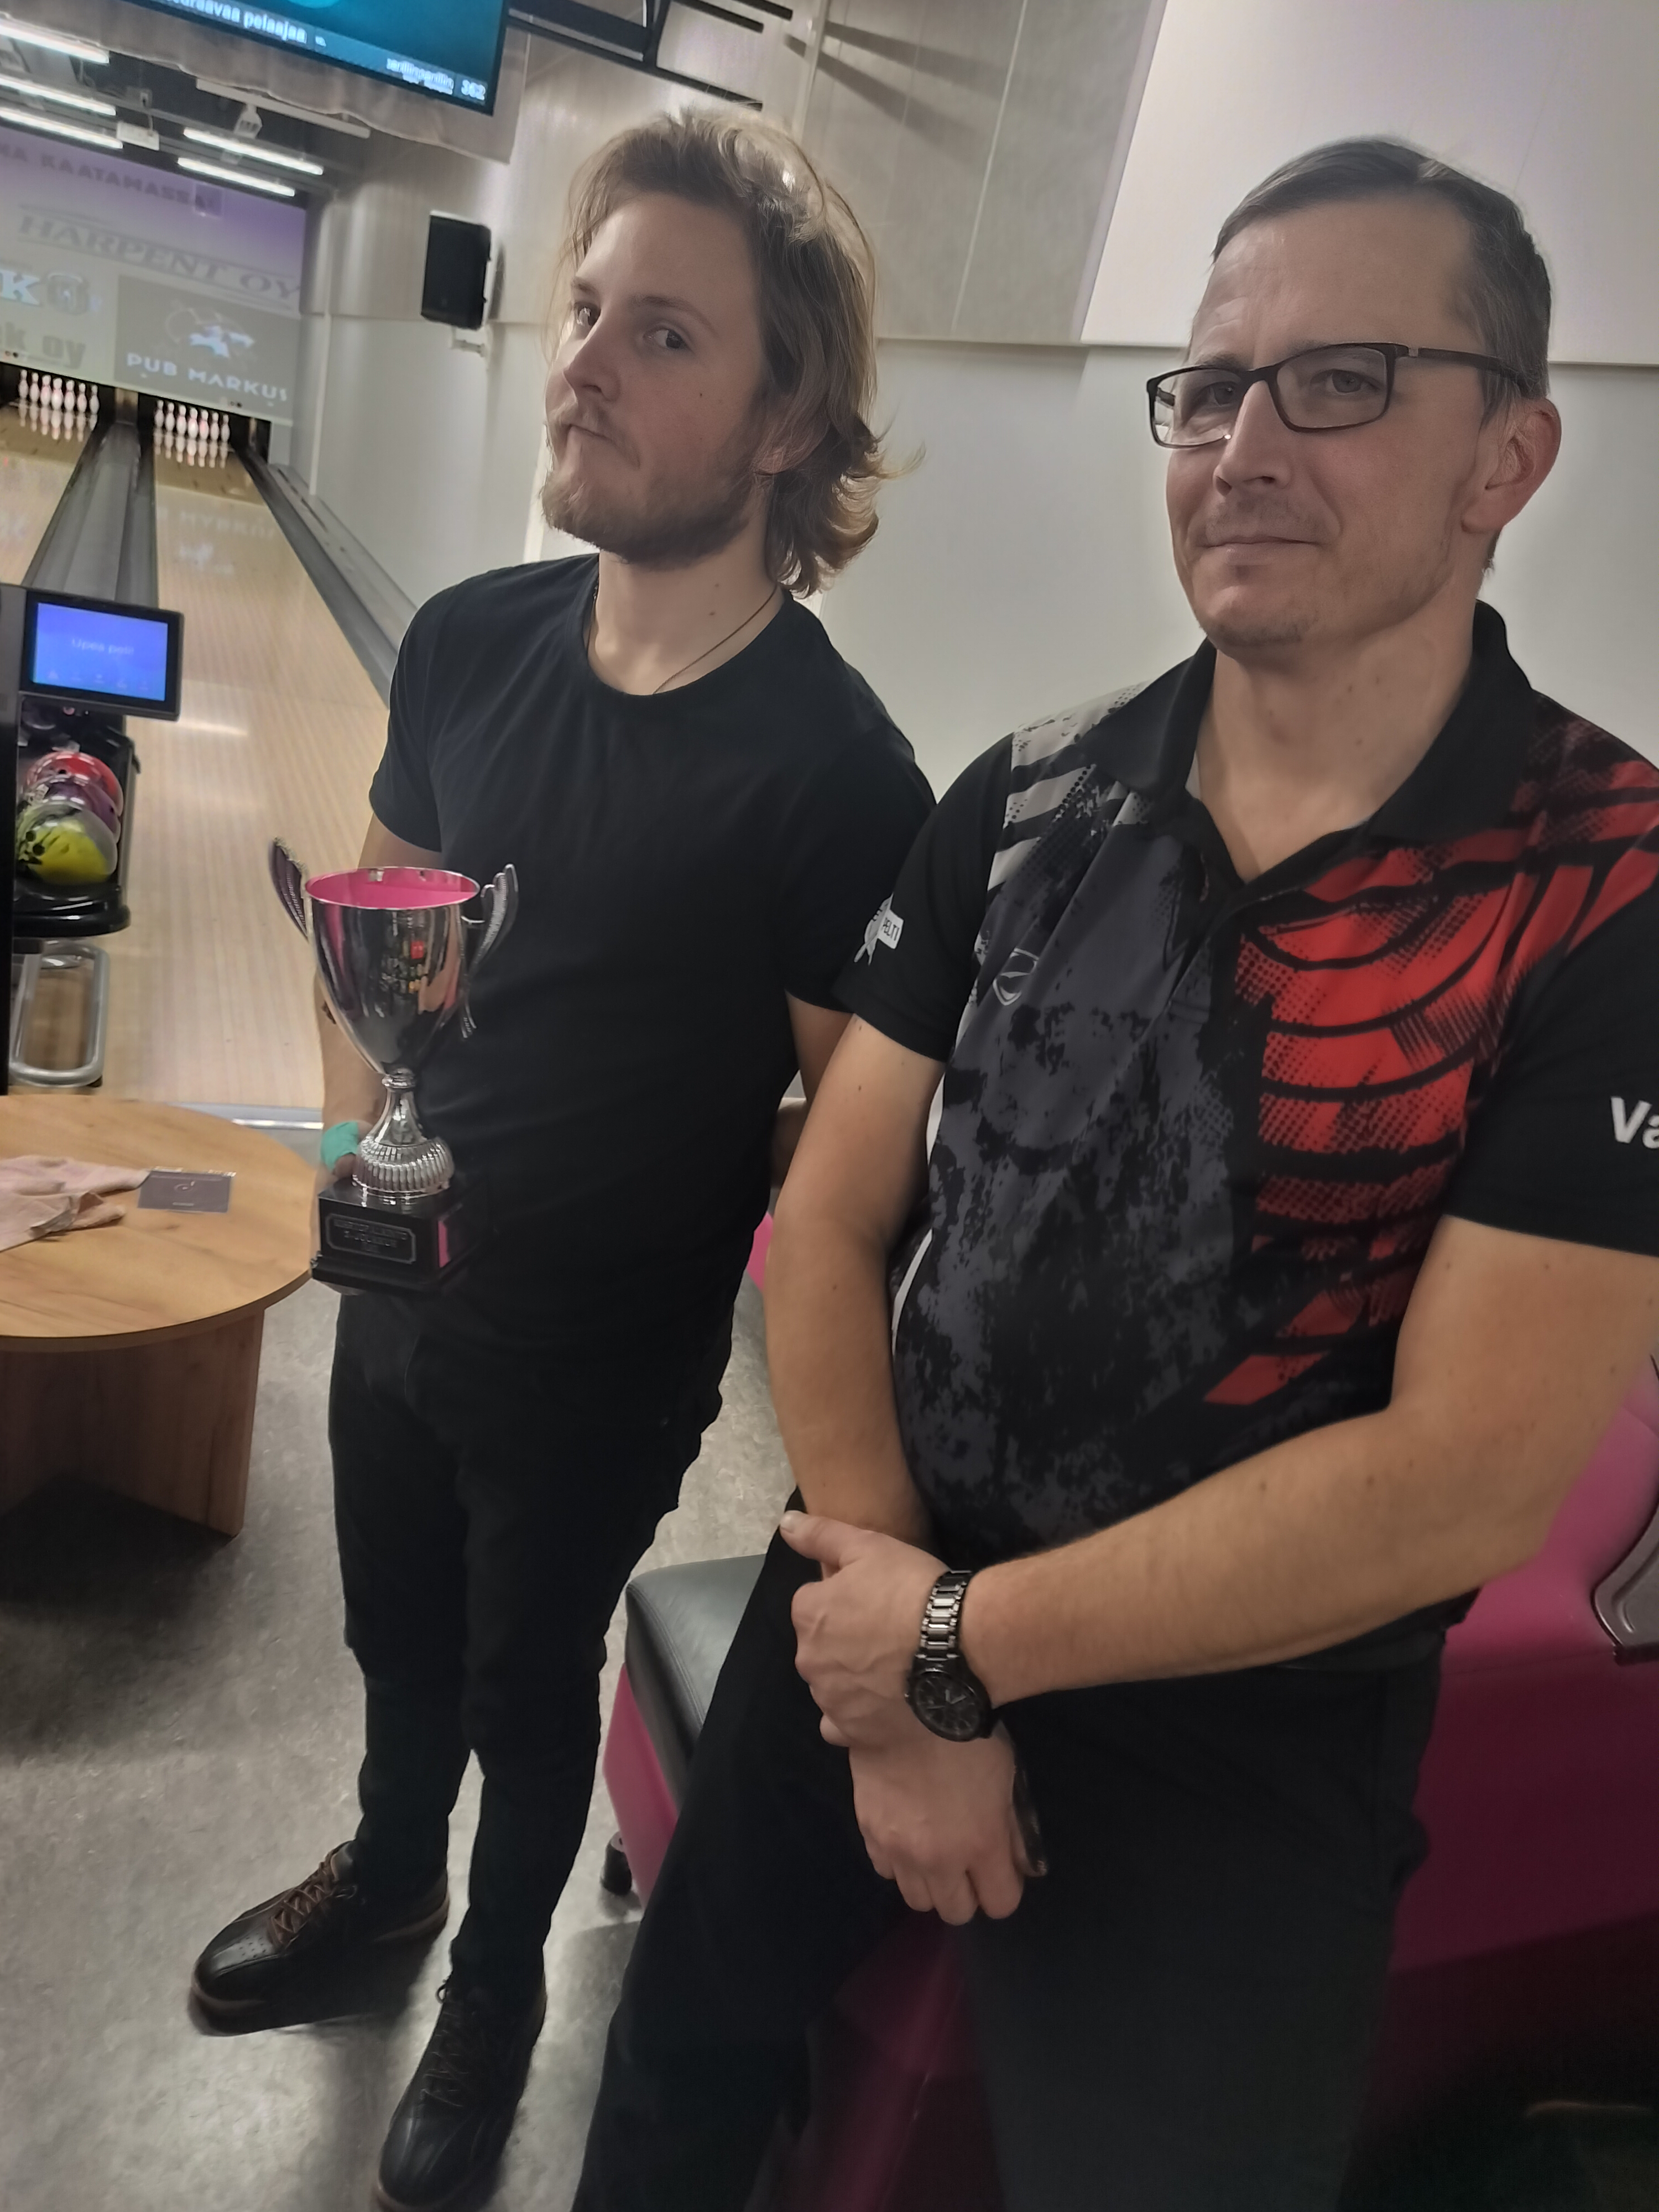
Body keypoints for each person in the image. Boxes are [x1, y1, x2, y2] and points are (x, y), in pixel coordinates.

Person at [574, 139, 1659, 2212]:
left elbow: (1463, 1483)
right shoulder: (1025, 796)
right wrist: (898, 1642)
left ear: (1507, 456)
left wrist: (962, 1650)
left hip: (1245, 1728)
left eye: (1340, 382)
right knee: (675, 2069)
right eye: (1212, 386)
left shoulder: (1609, 889)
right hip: (881, 1572)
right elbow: (832, 1221)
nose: (1245, 446)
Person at [188, 113, 930, 2212]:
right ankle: (387, 1876)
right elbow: (379, 934)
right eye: (586, 310)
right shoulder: (466, 640)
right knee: (395, 1634)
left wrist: (677, 1177)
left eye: (663, 333)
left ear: (786, 420)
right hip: (403, 1295)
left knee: (529, 1691)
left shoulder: (840, 780)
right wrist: (373, 1159)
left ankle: (494, 1986)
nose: (584, 363)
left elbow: (846, 1149)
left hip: (602, 1359)